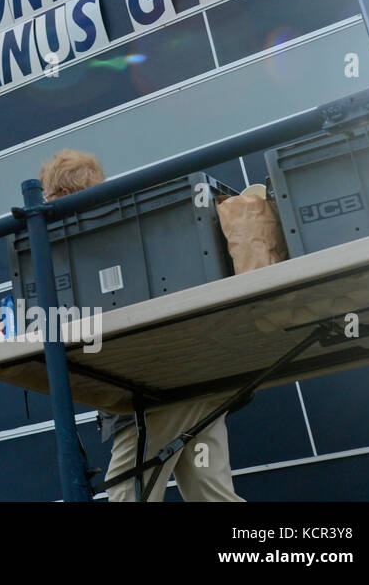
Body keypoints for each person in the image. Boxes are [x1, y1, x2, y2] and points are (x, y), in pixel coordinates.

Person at [38, 149, 244, 503]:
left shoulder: (78, 248)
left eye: (47, 195)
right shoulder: (135, 229)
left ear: (58, 196)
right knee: (212, 495)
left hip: (152, 388)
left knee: (127, 496)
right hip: (199, 377)